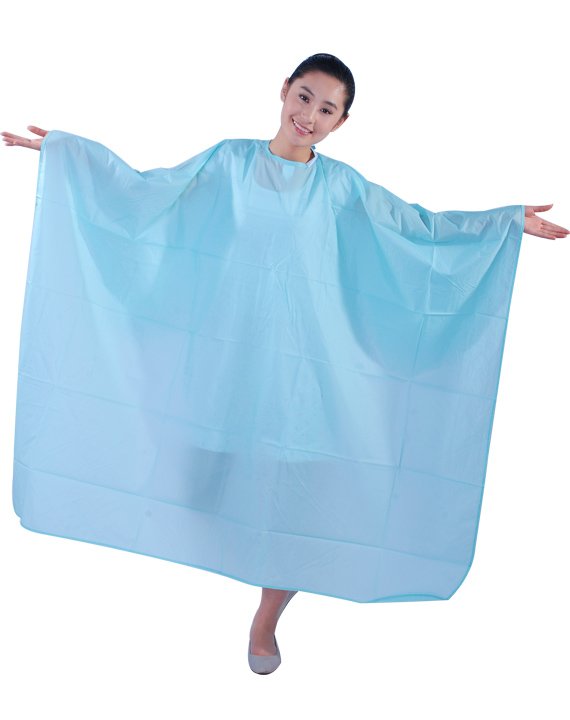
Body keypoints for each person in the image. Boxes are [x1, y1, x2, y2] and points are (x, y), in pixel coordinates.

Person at [3, 53, 569, 676]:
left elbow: (420, 231)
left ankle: (266, 618)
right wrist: (71, 157)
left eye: (327, 109)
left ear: (340, 122)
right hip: (224, 361)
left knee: (294, 508)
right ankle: (216, 562)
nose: (309, 115)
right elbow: (146, 194)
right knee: (201, 489)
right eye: (304, 97)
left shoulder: (343, 190)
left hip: (306, 373)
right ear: (283, 91)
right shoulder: (228, 163)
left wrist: (500, 226)